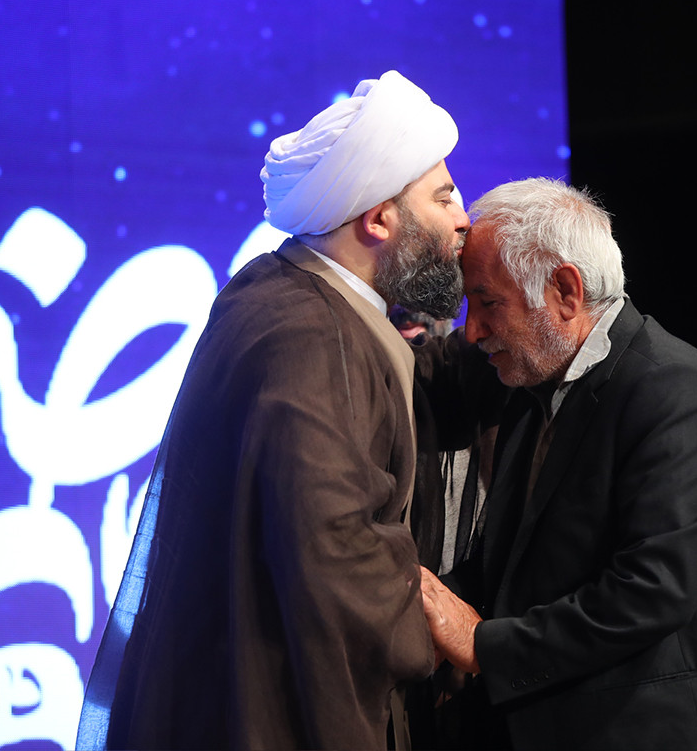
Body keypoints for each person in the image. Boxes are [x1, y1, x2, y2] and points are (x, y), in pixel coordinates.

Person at [75, 70, 470, 750]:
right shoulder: (307, 333)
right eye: (443, 197)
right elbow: (329, 542)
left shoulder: (296, 298)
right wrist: (433, 620)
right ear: (379, 219)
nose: (463, 218)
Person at [416, 177, 697, 750]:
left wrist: (483, 644)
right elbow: (512, 566)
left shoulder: (676, 391)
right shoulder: (534, 388)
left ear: (566, 290)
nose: (473, 331)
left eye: (488, 303)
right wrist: (417, 599)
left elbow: (650, 591)